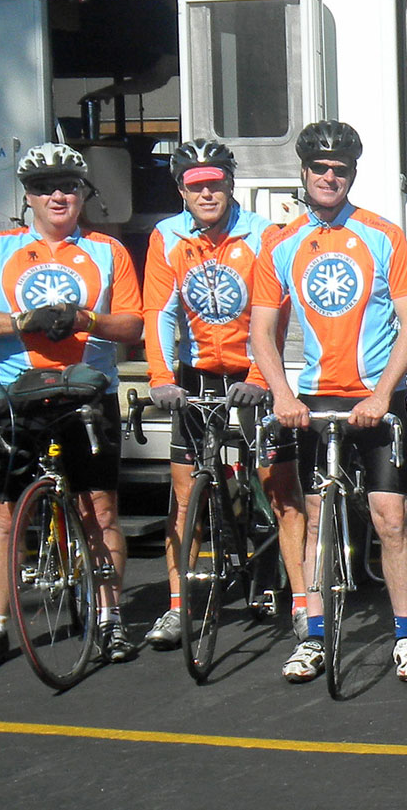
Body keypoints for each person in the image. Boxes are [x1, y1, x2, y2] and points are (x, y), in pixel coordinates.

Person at [250, 120, 407, 684]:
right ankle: (311, 635)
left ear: (352, 175)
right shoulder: (279, 243)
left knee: (392, 518)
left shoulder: (383, 235)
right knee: (311, 519)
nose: (330, 177)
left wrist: (384, 394)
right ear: (303, 173)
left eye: (341, 170)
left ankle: (406, 636)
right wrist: (282, 393)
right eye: (320, 168)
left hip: (375, 399)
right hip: (312, 399)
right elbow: (261, 331)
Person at [0, 143, 144, 670]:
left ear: (83, 192)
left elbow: (132, 324)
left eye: (68, 185)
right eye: (44, 188)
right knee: (4, 514)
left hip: (86, 393)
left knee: (100, 510)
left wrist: (86, 320)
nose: (57, 195)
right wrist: (20, 322)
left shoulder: (107, 250)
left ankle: (109, 620)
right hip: (19, 395)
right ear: (29, 198)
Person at [141, 139, 301, 652]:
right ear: (182, 191)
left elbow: (271, 314)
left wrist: (260, 377)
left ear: (230, 184)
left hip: (255, 374)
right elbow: (160, 312)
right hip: (197, 376)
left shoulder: (262, 234)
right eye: (195, 185)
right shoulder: (167, 236)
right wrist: (161, 378)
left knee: (276, 488)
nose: (206, 192)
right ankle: (176, 605)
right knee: (186, 496)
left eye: (214, 183)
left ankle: (295, 597)